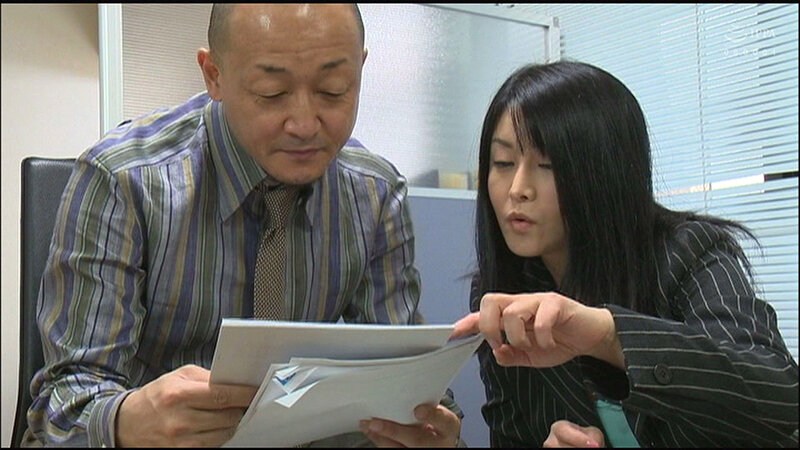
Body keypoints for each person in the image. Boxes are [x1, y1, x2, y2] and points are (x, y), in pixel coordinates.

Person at [24, 4, 462, 447]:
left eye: (334, 90)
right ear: (213, 75)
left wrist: (427, 425)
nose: (305, 125)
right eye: (272, 93)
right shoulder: (125, 180)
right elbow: (63, 401)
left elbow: (405, 372)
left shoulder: (374, 193)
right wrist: (122, 423)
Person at [449, 61, 799, 447]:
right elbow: (512, 435)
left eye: (548, 164)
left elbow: (777, 394)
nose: (518, 189)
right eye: (503, 163)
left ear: (604, 172)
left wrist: (607, 336)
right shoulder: (505, 292)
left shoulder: (689, 252)